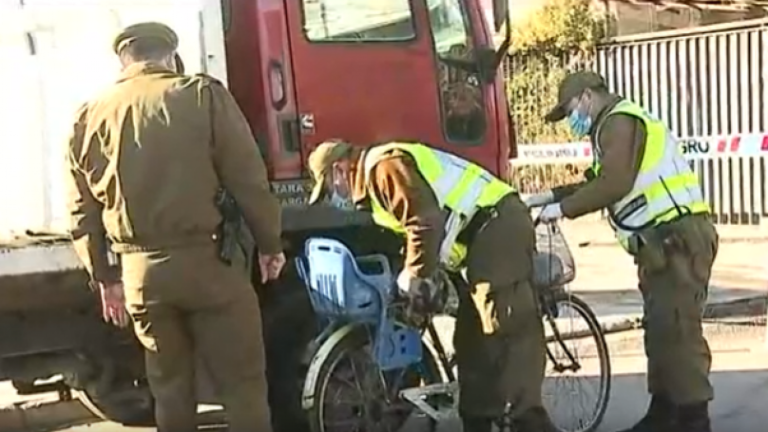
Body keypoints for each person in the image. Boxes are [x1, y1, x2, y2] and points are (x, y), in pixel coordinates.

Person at [64, 22, 285, 432]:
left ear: (124, 61)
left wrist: (105, 277)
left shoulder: (88, 117)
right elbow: (248, 180)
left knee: (169, 391)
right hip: (210, 267)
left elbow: (81, 212)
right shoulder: (201, 95)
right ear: (169, 57)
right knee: (243, 387)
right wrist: (270, 244)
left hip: (141, 276)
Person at [306, 140, 557, 432]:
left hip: (498, 223)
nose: (333, 198)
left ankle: (530, 422)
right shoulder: (372, 189)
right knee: (470, 339)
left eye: (329, 189)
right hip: (476, 237)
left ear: (339, 170)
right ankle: (478, 421)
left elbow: (425, 222)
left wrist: (415, 272)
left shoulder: (384, 168)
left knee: (501, 326)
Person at [529, 71, 719, 432]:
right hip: (659, 245)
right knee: (660, 329)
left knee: (678, 330)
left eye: (569, 110)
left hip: (677, 238)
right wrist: (549, 196)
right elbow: (597, 181)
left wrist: (562, 210)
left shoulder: (619, 122)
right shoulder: (610, 128)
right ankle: (663, 413)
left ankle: (694, 419)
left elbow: (614, 183)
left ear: (587, 97)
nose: (570, 121)